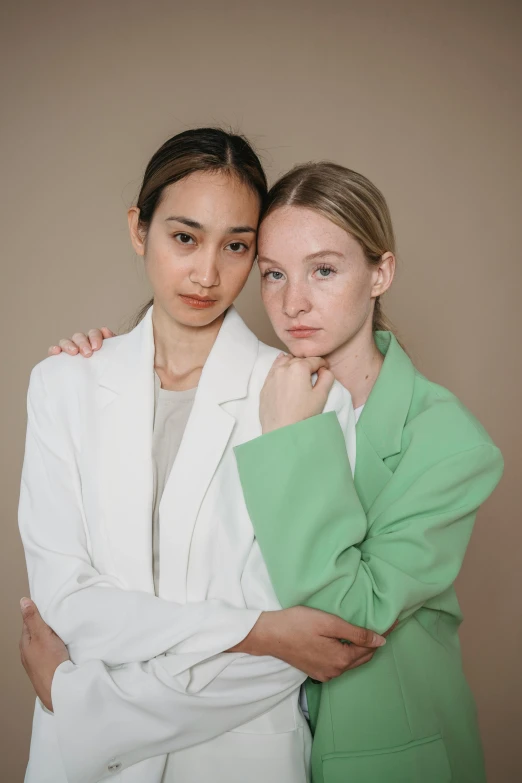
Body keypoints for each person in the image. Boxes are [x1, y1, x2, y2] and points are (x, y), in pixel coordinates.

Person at [21, 150, 503, 783]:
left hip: (305, 753)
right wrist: (260, 631)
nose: (206, 272)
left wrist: (87, 706)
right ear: (140, 229)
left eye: (237, 248)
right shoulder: (69, 382)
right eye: (276, 274)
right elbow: (69, 602)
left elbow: (317, 631)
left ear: (381, 271)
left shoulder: (325, 407)